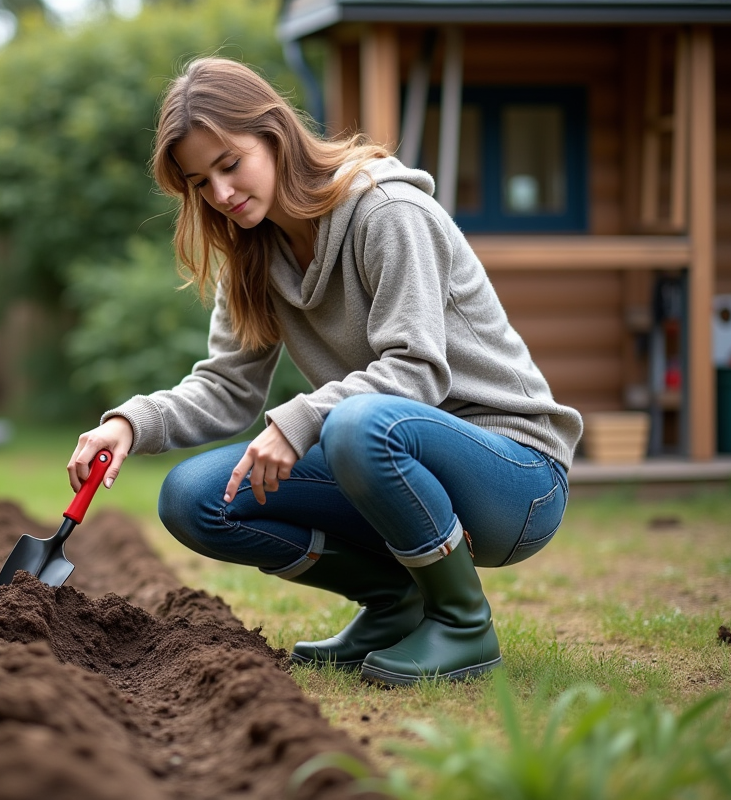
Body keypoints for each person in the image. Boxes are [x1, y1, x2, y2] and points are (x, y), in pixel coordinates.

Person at [68, 57, 582, 686]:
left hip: (515, 476)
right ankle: (398, 601)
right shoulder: (252, 254)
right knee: (196, 498)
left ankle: (462, 624)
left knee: (355, 424)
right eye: (202, 183)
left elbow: (417, 371)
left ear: (275, 135)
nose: (222, 195)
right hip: (387, 456)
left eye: (230, 164)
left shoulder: (389, 212)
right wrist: (130, 422)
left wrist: (300, 420)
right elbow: (228, 390)